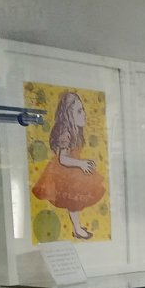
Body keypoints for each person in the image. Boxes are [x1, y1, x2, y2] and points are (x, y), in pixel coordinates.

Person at [31, 90, 105, 241]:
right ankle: (77, 229)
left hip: (73, 170)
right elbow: (63, 159)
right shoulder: (65, 132)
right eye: (79, 111)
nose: (84, 114)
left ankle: (77, 228)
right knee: (73, 201)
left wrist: (84, 163)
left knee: (75, 202)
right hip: (64, 172)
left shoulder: (76, 131)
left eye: (83, 109)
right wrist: (81, 164)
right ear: (68, 115)